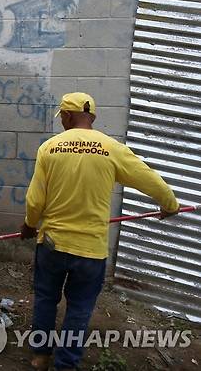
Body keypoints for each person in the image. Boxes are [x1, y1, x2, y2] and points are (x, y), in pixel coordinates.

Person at [22, 92, 180, 371]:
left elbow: (35, 200)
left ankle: (40, 356)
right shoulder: (112, 148)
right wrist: (169, 204)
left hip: (52, 245)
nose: (62, 122)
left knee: (46, 299)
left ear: (68, 116)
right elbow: (149, 178)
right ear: (92, 118)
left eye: (63, 117)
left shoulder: (49, 147)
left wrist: (29, 224)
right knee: (79, 308)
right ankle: (65, 364)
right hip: (91, 250)